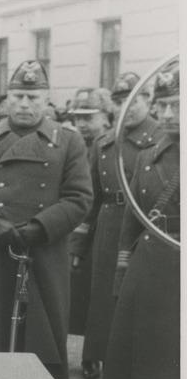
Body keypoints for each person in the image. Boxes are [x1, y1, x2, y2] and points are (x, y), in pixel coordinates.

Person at [0, 60, 93, 379]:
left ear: (47, 100)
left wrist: (41, 227)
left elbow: (79, 197)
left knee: (42, 330)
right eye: (17, 96)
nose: (25, 104)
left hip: (43, 248)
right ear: (6, 99)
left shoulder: (69, 141)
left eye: (33, 97)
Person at [75, 73, 164, 379]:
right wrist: (80, 243)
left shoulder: (163, 137)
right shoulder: (104, 142)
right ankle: (94, 354)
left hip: (147, 222)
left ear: (148, 101)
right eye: (118, 100)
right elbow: (91, 197)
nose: (125, 106)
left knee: (138, 290)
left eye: (133, 99)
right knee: (102, 293)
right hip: (110, 222)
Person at [103, 60, 179, 379]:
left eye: (176, 106)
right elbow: (132, 219)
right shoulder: (148, 156)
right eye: (162, 105)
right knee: (142, 355)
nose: (166, 114)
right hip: (148, 267)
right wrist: (123, 272)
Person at [66, 88, 114, 341]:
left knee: (97, 293)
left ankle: (92, 353)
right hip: (74, 229)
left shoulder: (110, 144)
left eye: (88, 117)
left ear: (106, 116)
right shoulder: (72, 144)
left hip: (100, 229)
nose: (82, 124)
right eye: (78, 118)